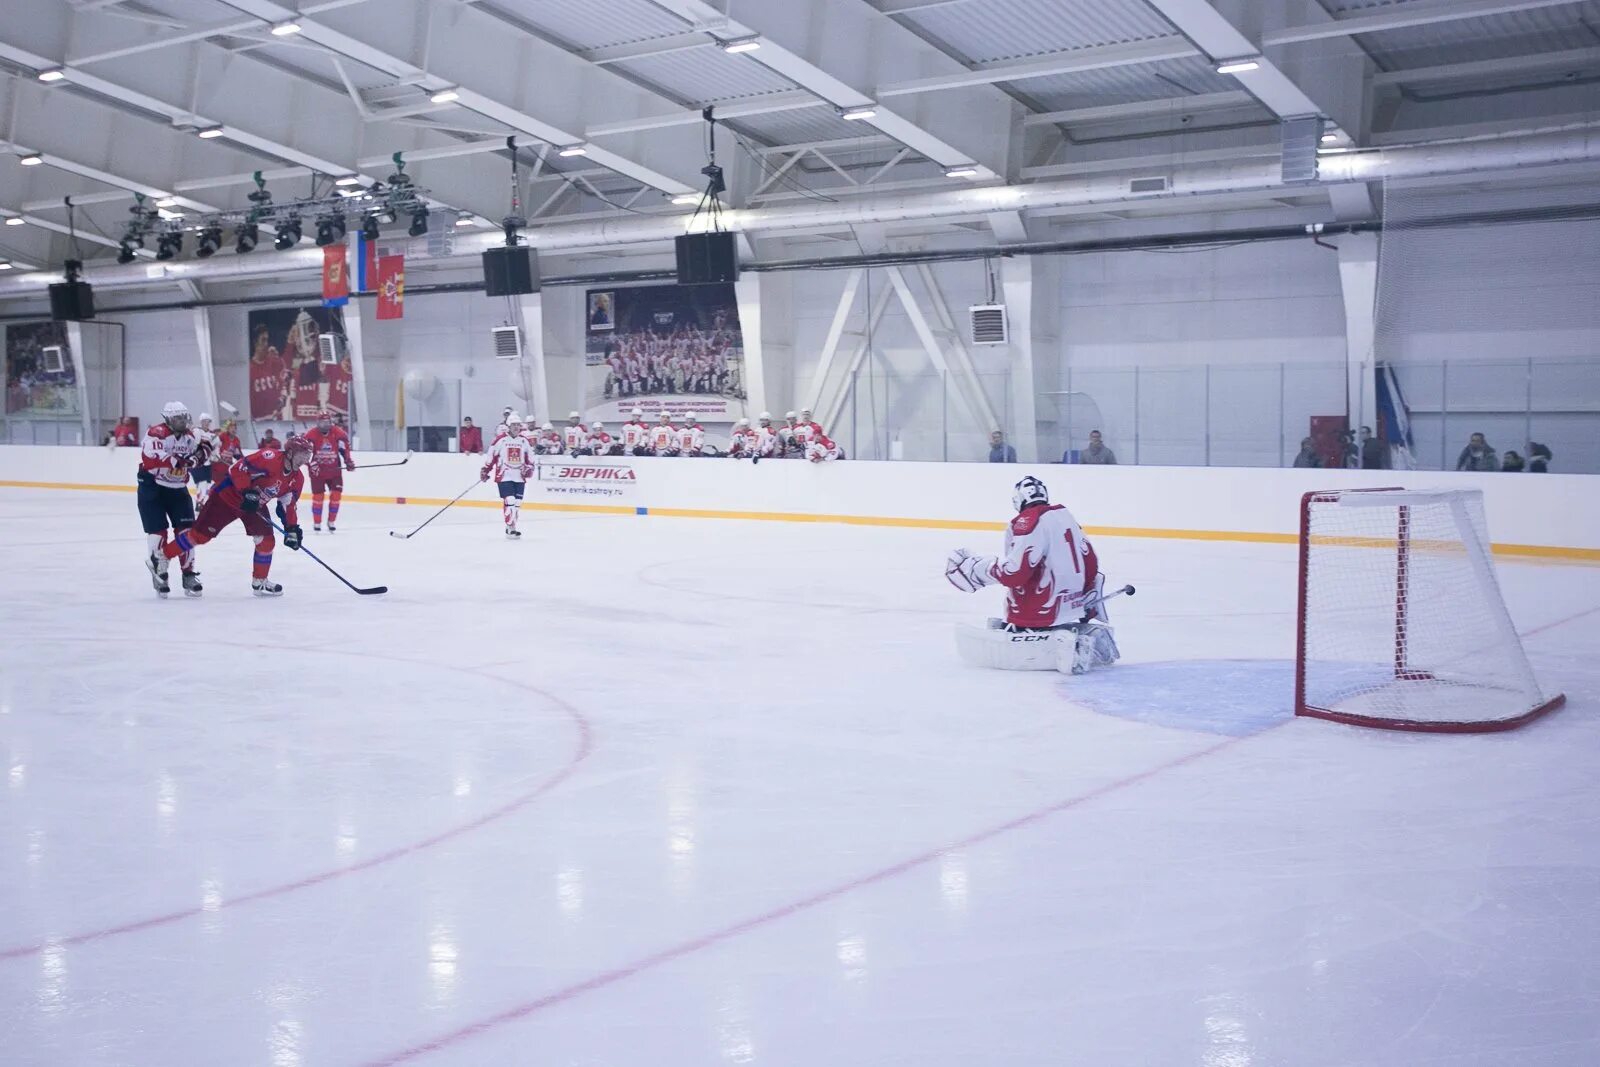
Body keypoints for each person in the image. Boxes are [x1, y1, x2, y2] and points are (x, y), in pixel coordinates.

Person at [944, 475, 1118, 674]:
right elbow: (1090, 562)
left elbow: (1015, 573)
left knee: (1021, 598)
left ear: (1017, 499)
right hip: (1074, 606)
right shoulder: (1064, 516)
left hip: (1042, 611)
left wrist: (978, 570)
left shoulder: (1029, 521)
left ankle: (1034, 632)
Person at [156, 434, 309, 597]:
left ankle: (260, 581)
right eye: (302, 454)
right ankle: (163, 556)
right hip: (227, 498)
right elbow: (236, 469)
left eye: (308, 455)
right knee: (199, 537)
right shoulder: (269, 457)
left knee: (266, 541)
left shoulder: (297, 479)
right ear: (291, 452)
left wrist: (291, 527)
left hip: (254, 506)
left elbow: (288, 505)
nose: (305, 459)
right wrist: (246, 491)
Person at [138, 401, 205, 598]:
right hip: (152, 487)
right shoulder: (156, 433)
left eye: (184, 417)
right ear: (168, 419)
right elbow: (152, 457)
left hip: (177, 489)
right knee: (157, 533)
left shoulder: (191, 437)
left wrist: (199, 457)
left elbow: (199, 456)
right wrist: (178, 460)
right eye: (177, 418)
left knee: (187, 533)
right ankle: (160, 574)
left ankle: (189, 574)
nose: (182, 421)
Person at [480, 414, 534, 538]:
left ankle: (511, 525)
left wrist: (530, 468)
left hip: (519, 476)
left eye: (518, 425)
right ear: (508, 426)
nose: (516, 427)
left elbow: (530, 458)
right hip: (504, 475)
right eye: (513, 425)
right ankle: (511, 528)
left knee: (517, 503)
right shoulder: (500, 440)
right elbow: (491, 456)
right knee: (510, 500)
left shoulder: (524, 441)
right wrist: (486, 469)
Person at [304, 411, 355, 532]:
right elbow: (305, 454)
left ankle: (331, 521)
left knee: (336, 496)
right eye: (322, 422)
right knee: (318, 498)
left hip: (334, 471)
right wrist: (311, 464)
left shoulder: (338, 433)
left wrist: (348, 461)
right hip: (318, 473)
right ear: (318, 422)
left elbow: (344, 449)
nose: (325, 425)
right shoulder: (311, 435)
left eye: (327, 422)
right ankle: (317, 523)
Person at [199, 417, 244, 508]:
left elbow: (238, 454)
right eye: (231, 427)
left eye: (235, 427)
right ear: (228, 428)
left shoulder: (236, 440)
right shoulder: (223, 436)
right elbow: (213, 443)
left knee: (225, 485)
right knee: (219, 483)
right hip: (217, 466)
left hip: (227, 467)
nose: (234, 429)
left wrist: (243, 462)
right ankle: (205, 500)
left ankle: (209, 500)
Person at [191, 413, 218, 498]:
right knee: (201, 483)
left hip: (207, 463)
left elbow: (214, 451)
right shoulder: (196, 431)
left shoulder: (212, 435)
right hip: (197, 463)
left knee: (208, 484)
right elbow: (195, 445)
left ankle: (204, 501)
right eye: (204, 421)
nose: (206, 423)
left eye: (208, 421)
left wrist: (214, 456)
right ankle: (199, 501)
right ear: (201, 422)